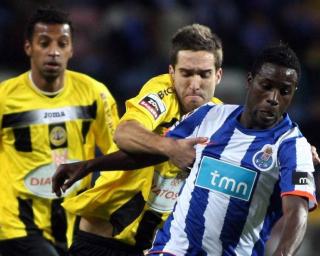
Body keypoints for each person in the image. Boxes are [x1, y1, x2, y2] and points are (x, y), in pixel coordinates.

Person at [53, 24, 223, 255]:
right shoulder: (162, 93)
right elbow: (125, 132)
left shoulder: (222, 121)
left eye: (204, 74)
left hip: (156, 248)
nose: (195, 84)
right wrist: (171, 147)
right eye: (186, 73)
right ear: (172, 73)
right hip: (102, 243)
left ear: (218, 75)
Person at [146, 45, 317, 256]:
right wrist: (94, 165)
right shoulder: (209, 116)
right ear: (250, 81)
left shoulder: (295, 148)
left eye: (284, 92)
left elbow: (297, 211)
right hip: (172, 250)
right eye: (266, 85)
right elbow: (152, 151)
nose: (273, 98)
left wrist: (283, 253)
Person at [0, 7, 119, 256]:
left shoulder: (94, 94)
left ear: (71, 49)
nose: (53, 51)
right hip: (17, 223)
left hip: (76, 218)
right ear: (28, 47)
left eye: (62, 43)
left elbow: (116, 154)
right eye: (44, 43)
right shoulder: (5, 98)